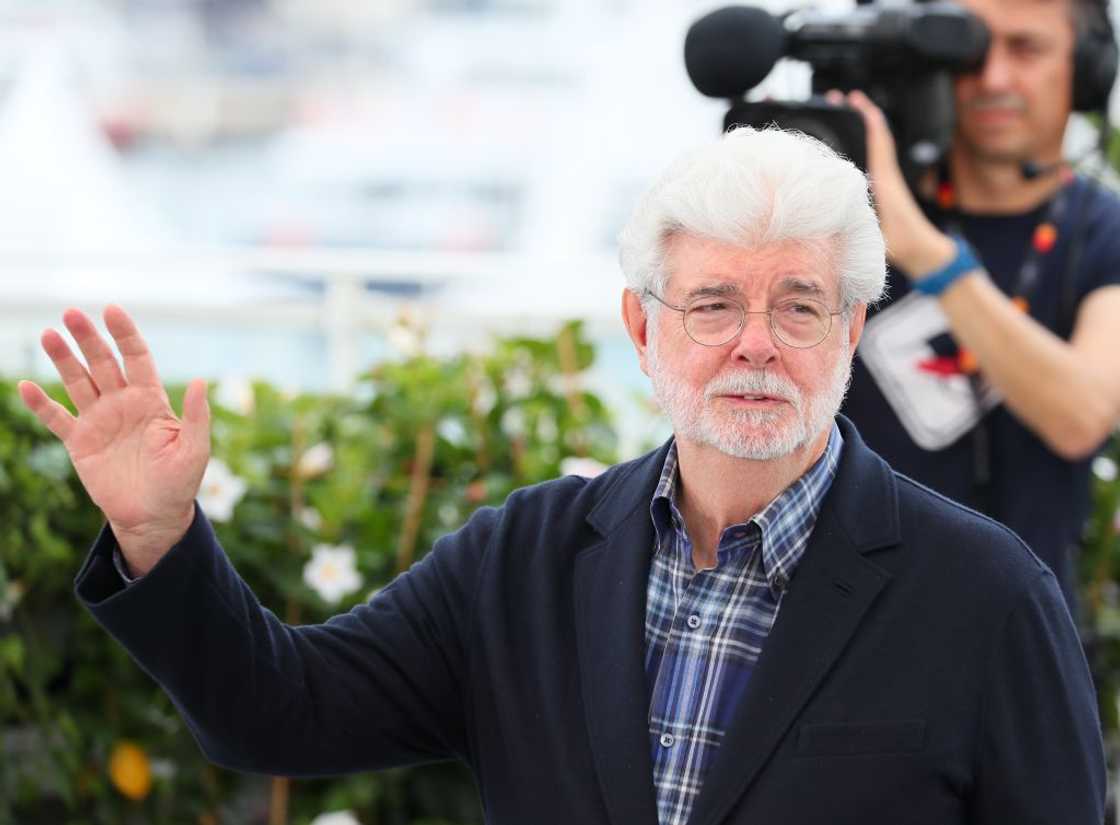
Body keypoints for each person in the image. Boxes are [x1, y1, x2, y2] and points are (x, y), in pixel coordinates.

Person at [17, 126, 1105, 824]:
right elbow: (281, 714)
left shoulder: (985, 594)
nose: (756, 344)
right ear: (642, 325)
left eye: (800, 306)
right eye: (714, 303)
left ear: (851, 327)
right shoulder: (526, 560)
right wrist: (160, 534)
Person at [837, 0, 1120, 609]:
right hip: (850, 632)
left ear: (1089, 67)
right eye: (968, 51)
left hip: (1023, 644)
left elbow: (1082, 415)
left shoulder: (1105, 231)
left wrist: (925, 252)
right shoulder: (850, 218)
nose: (992, 78)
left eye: (1026, 49)